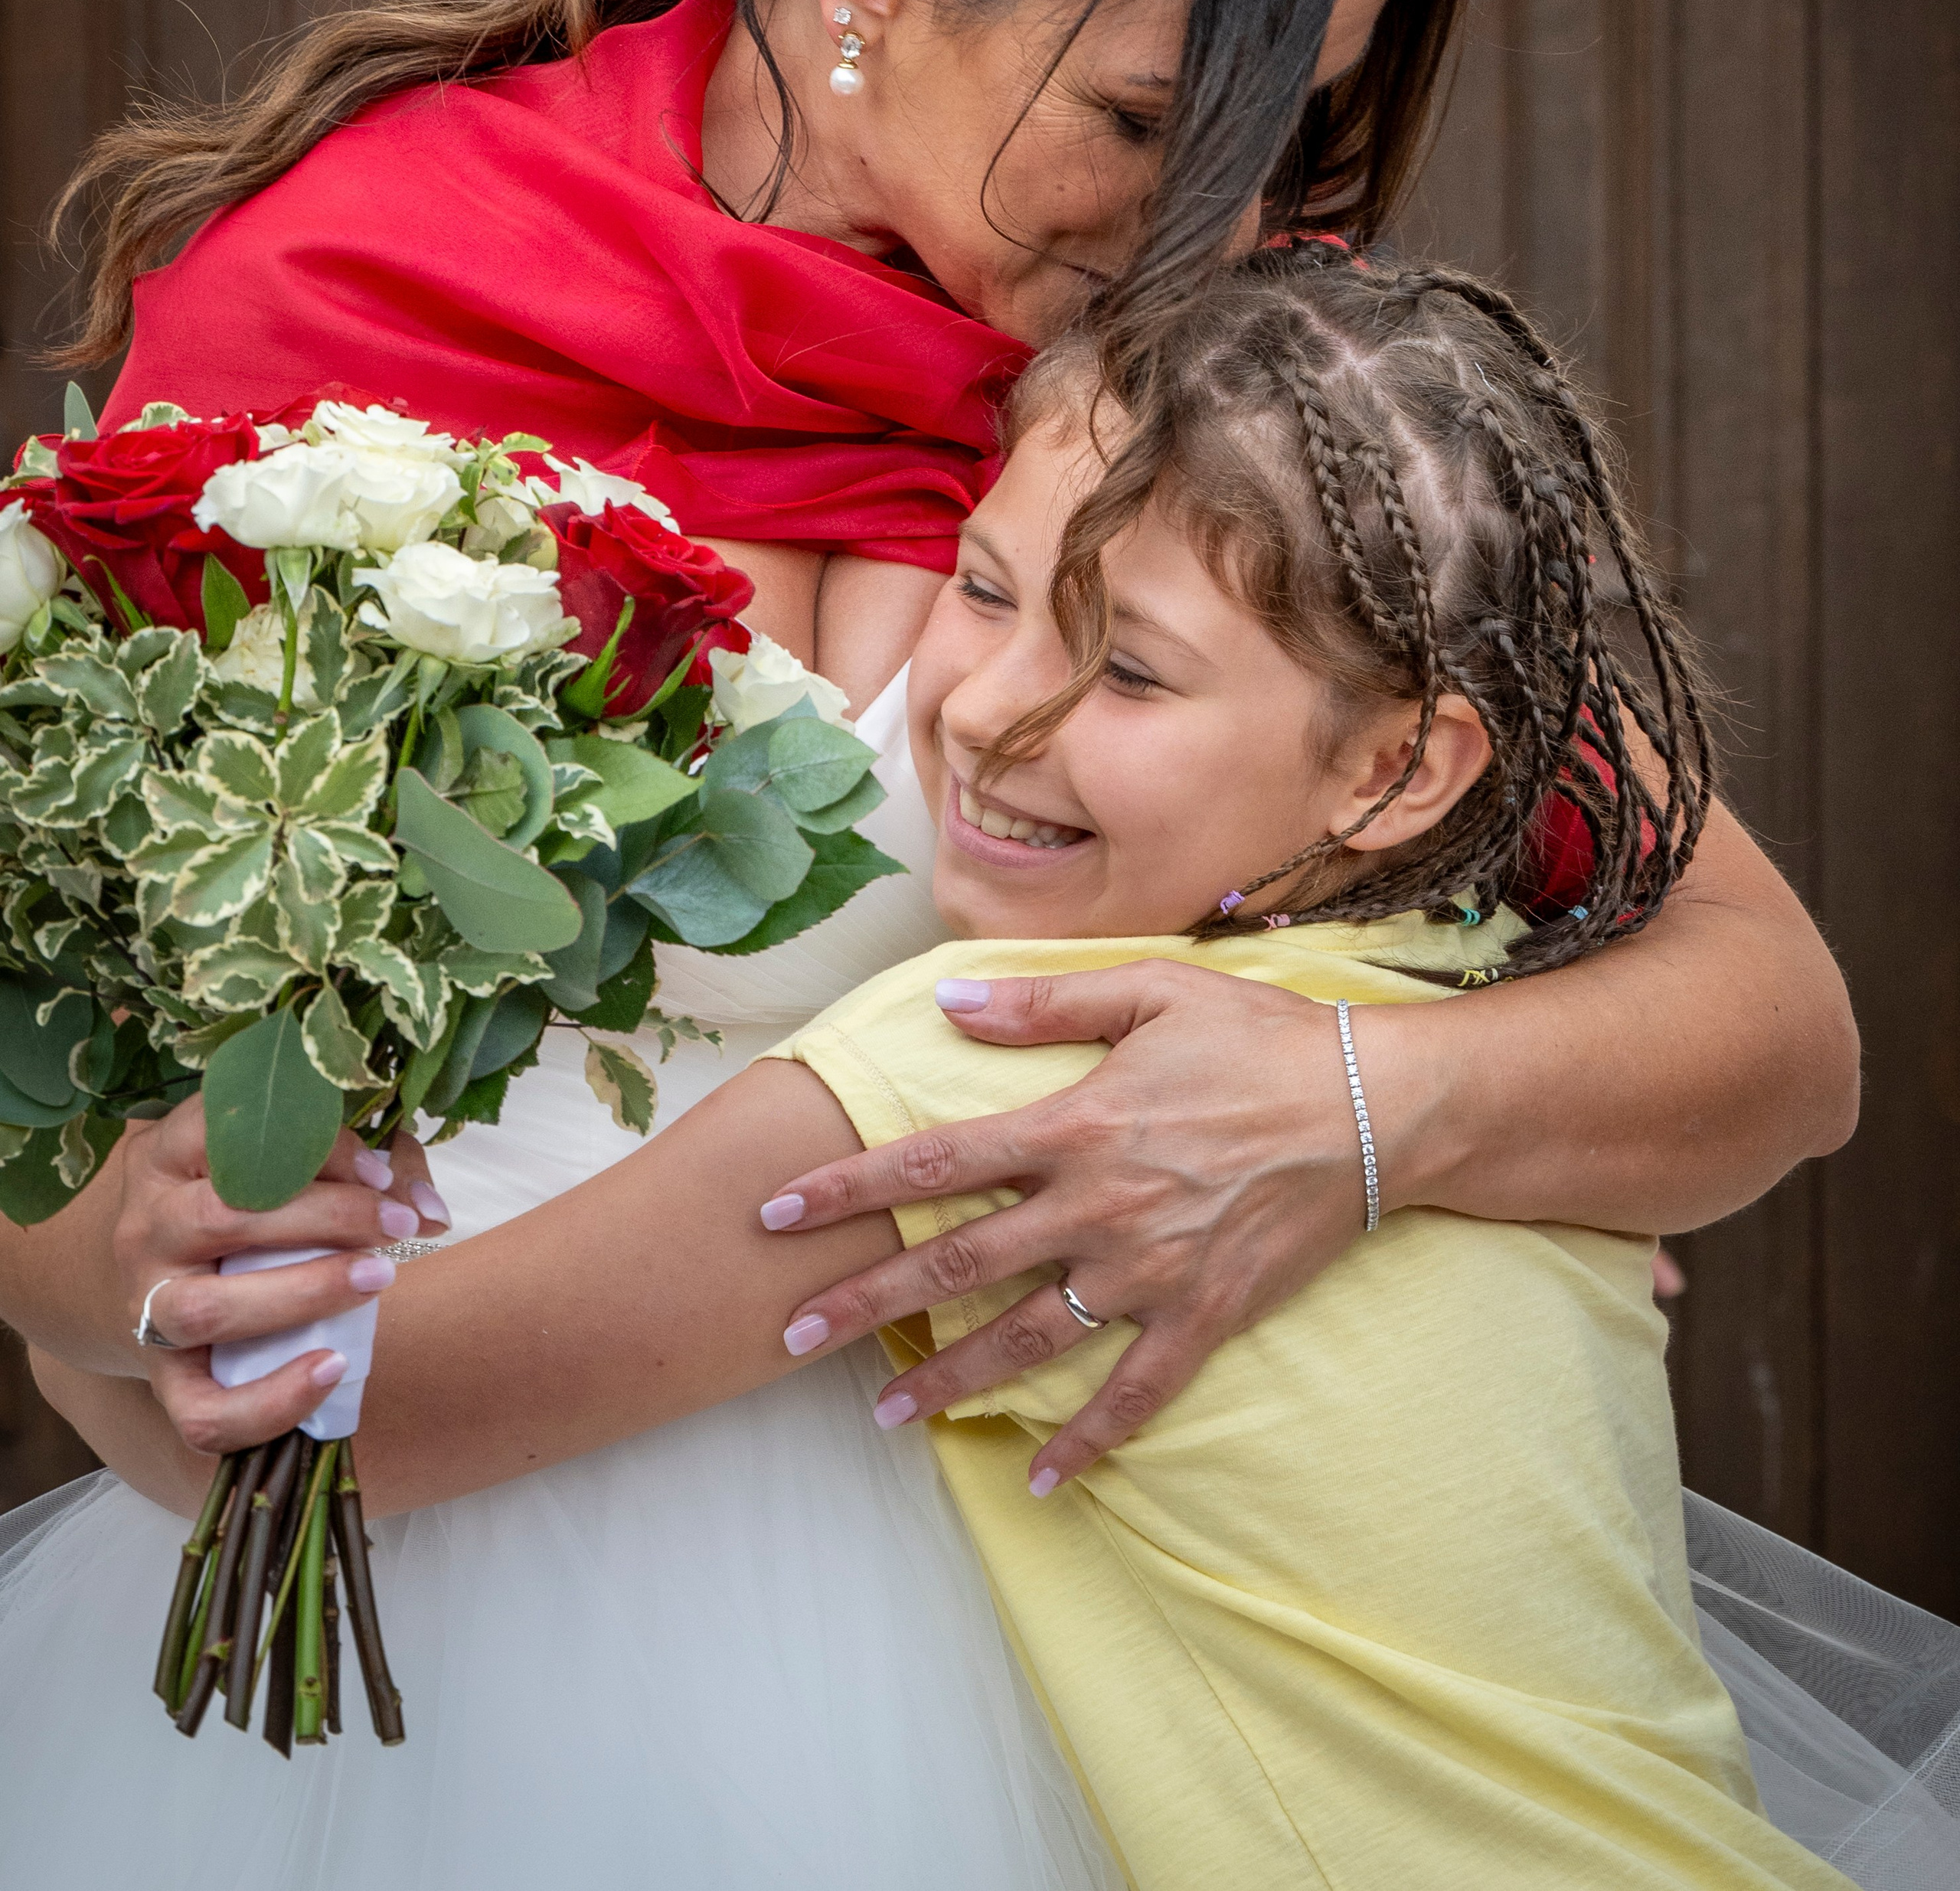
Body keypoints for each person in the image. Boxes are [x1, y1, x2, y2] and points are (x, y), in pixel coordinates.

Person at [1, 0, 1855, 1501]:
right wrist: (110, 1287)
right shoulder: (347, 308)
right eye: (1154, 121)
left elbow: (1772, 1030)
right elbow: (65, 1106)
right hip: (436, 1559)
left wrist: (1363, 1103)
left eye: (1284, 130)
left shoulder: (1223, 378)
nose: (1229, 233)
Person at [23, 251, 1949, 1886]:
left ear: (1393, 771)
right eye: (983, 585)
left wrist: (68, 1308)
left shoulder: (989, 1063)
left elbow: (337, 1433)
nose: (988, 710)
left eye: (1129, 674)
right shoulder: (1461, 977)